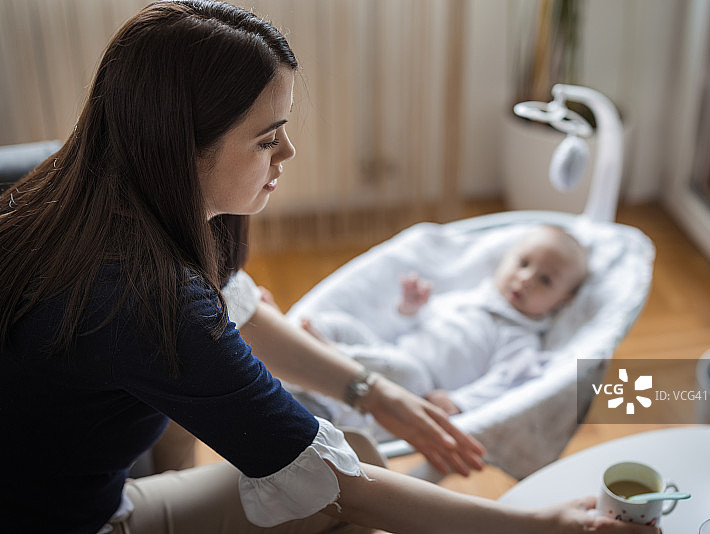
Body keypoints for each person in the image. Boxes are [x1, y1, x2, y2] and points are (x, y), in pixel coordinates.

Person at [0, 1, 656, 533]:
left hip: (47, 480)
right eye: (267, 137)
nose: (288, 151)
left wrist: (374, 391)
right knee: (351, 471)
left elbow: (237, 310)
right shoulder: (148, 301)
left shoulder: (64, 183)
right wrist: (544, 526)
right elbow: (336, 483)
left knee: (351, 447)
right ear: (183, 147)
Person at [296, 225, 589, 435]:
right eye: (523, 263)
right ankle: (294, 342)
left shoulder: (520, 339)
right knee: (340, 324)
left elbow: (504, 384)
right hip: (387, 352)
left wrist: (459, 403)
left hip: (418, 386)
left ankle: (323, 356)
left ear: (562, 301)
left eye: (545, 280)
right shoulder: (470, 296)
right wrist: (409, 310)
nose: (526, 279)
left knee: (407, 371)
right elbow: (406, 329)